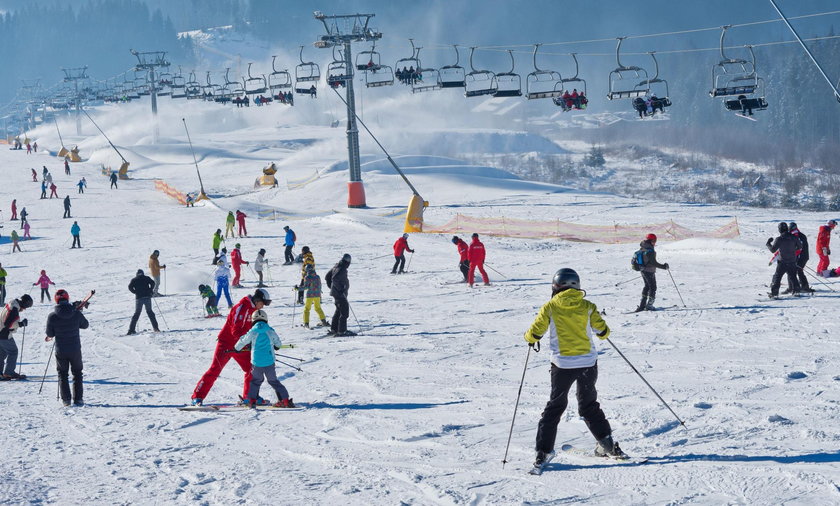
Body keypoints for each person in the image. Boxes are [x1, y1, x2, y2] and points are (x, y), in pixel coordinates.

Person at [523, 268, 625, 470]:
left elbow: (535, 332)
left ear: (555, 286)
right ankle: (607, 445)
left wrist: (530, 338)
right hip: (588, 363)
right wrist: (602, 331)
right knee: (589, 405)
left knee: (555, 406)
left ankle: (543, 451)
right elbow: (603, 331)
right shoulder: (587, 306)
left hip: (563, 364)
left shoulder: (550, 306)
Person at [191, 288, 273, 406]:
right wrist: (247, 343)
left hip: (241, 345)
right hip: (227, 344)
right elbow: (235, 330)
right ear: (257, 300)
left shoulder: (254, 310)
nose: (263, 306)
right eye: (262, 303)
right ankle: (197, 397)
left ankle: (249, 397)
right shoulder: (241, 307)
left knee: (252, 369)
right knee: (215, 369)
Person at [234, 310, 295, 408]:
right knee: (274, 381)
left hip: (256, 362)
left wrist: (237, 348)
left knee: (255, 382)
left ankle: (252, 401)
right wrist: (277, 346)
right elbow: (277, 342)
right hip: (269, 362)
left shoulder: (253, 331)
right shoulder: (270, 330)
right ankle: (285, 401)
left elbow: (243, 340)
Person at [45, 290, 90, 406]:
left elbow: (50, 333)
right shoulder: (76, 313)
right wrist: (78, 313)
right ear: (67, 298)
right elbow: (85, 325)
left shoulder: (52, 316)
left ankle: (66, 400)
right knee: (77, 373)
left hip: (61, 350)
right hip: (75, 349)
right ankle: (78, 399)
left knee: (62, 374)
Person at [0, 294, 33, 381]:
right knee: (13, 351)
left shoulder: (12, 303)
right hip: (4, 333)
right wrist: (21, 324)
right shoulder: (14, 309)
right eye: (26, 307)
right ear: (24, 304)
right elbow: (8, 324)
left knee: (2, 353)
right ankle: (9, 373)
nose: (24, 309)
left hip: (1, 331)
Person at [634, 233, 669, 311]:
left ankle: (642, 305)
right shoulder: (650, 250)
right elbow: (653, 263)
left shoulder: (643, 247)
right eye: (654, 240)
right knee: (653, 287)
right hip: (649, 271)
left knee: (647, 286)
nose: (655, 242)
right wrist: (664, 266)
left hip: (643, 270)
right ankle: (649, 305)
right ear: (650, 240)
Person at [767, 222, 801, 298]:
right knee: (793, 276)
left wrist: (768, 243)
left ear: (779, 230)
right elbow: (800, 246)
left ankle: (774, 294)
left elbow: (773, 250)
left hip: (783, 262)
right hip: (792, 261)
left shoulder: (779, 239)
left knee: (777, 277)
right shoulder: (794, 237)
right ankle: (796, 291)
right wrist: (792, 250)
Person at [325, 254, 353, 336]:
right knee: (344, 312)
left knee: (338, 310)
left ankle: (334, 329)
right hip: (340, 294)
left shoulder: (336, 266)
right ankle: (342, 331)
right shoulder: (342, 268)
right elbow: (334, 278)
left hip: (336, 293)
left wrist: (332, 287)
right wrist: (340, 289)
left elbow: (327, 277)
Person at [127, 269, 160, 335]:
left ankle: (131, 330)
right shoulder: (146, 278)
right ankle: (156, 328)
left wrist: (135, 292)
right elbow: (153, 283)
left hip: (139, 298)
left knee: (137, 313)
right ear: (143, 273)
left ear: (137, 274)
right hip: (147, 297)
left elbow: (130, 287)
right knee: (150, 312)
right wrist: (150, 290)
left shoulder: (134, 279)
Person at [300, 264, 328, 329]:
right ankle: (324, 321)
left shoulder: (307, 277)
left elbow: (306, 287)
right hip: (317, 295)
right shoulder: (317, 276)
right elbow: (320, 285)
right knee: (318, 308)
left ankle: (306, 323)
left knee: (307, 309)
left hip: (310, 295)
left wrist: (298, 288)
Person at [788, 222, 813, 293]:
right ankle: (804, 287)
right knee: (799, 271)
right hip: (803, 256)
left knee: (792, 271)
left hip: (800, 257)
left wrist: (795, 257)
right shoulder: (800, 235)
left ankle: (792, 288)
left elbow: (799, 248)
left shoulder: (796, 236)